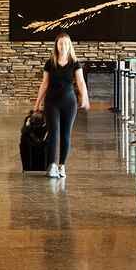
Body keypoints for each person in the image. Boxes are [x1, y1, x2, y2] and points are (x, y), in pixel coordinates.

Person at [32, 34, 90, 179]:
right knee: (53, 134)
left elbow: (81, 82)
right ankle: (51, 165)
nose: (63, 46)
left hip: (69, 104)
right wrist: (37, 103)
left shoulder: (75, 63)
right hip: (52, 103)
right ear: (56, 46)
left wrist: (85, 98)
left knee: (65, 135)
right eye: (60, 44)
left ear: (69, 45)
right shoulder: (50, 63)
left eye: (66, 43)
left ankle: (62, 166)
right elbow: (44, 84)